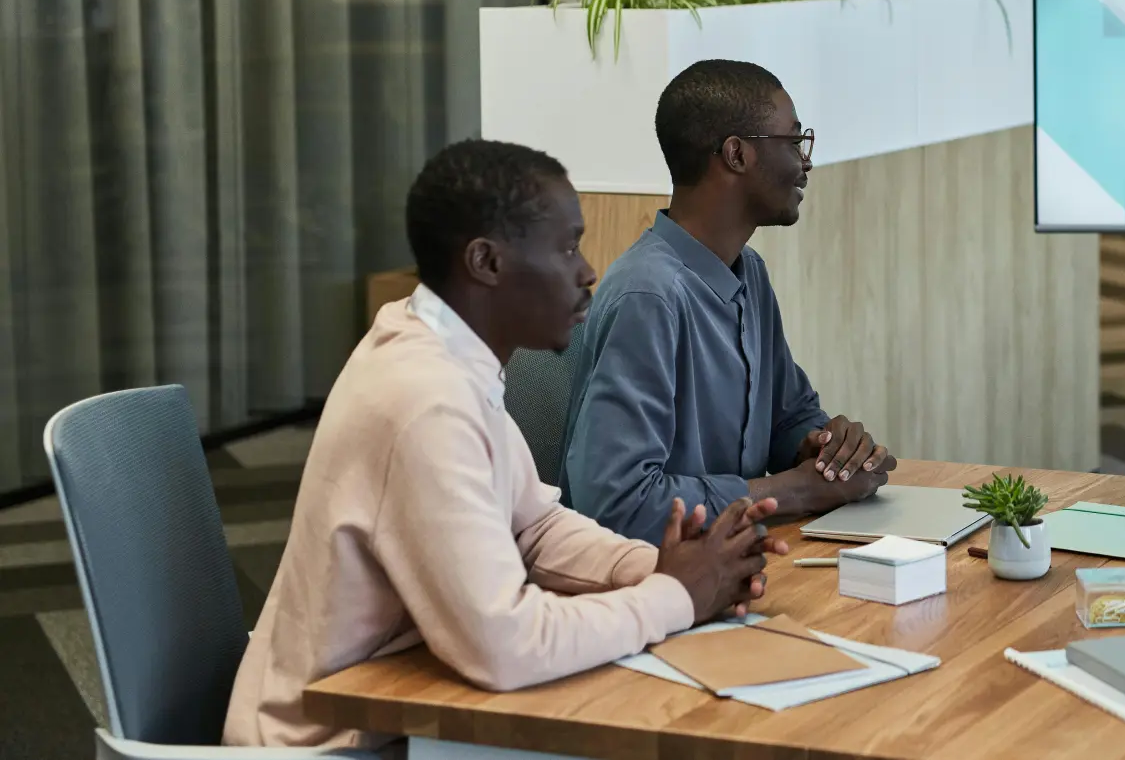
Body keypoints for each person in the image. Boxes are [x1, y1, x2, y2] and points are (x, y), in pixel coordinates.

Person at [225, 140, 781, 751]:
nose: (587, 271)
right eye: (566, 247)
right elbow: (506, 645)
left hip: (405, 708)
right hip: (335, 740)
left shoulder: (443, 354)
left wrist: (663, 566)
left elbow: (534, 527)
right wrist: (675, 596)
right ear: (486, 262)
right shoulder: (424, 400)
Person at [561, 59, 895, 538]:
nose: (806, 162)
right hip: (648, 583)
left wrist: (823, 450)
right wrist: (796, 491)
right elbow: (616, 502)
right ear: (737, 154)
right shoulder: (649, 296)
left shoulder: (749, 272)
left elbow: (789, 414)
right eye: (794, 142)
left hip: (737, 561)